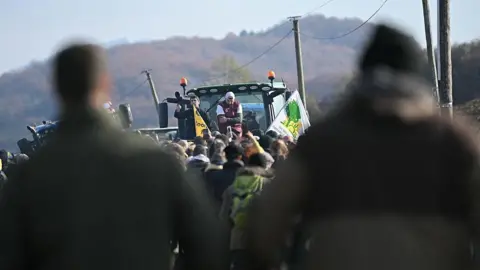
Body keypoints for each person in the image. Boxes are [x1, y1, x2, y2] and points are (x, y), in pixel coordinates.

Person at [247, 24, 480, 270]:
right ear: (416, 77)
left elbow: (266, 222)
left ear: (363, 74)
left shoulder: (322, 142)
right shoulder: (455, 142)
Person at [0, 43, 228, 270]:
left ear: (57, 89)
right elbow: (207, 245)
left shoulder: (27, 178)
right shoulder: (154, 162)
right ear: (105, 83)